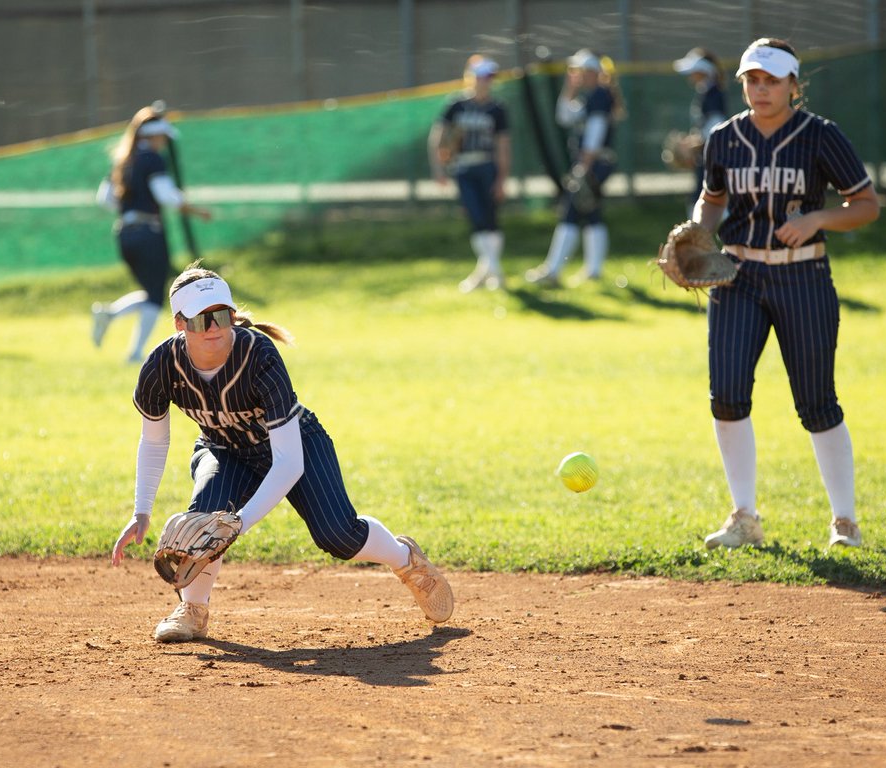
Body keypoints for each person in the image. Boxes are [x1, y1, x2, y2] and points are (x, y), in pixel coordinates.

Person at [111, 264, 455, 642]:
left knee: (338, 536)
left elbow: (288, 463)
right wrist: (141, 510)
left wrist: (240, 522)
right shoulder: (162, 366)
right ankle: (192, 609)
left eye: (221, 315)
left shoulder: (257, 354)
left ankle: (405, 560)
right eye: (200, 320)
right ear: (179, 323)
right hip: (223, 448)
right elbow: (155, 440)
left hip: (295, 443)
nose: (214, 328)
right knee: (203, 523)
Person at [695, 38, 880, 551]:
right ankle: (744, 518)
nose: (761, 89)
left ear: (794, 85)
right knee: (727, 397)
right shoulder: (724, 138)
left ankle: (844, 521)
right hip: (737, 277)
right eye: (752, 80)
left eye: (772, 80)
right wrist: (694, 232)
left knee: (817, 403)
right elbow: (712, 203)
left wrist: (818, 218)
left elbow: (866, 205)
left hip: (803, 277)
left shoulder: (820, 136)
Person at [93, 106, 212, 363]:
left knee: (151, 291)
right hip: (149, 232)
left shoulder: (124, 160)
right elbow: (166, 196)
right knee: (156, 296)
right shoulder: (152, 160)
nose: (163, 144)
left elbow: (106, 200)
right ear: (154, 136)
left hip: (125, 233)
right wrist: (196, 210)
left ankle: (110, 314)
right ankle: (135, 352)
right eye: (162, 138)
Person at [525, 49, 620, 289]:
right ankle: (593, 271)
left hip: (592, 164)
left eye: (581, 70)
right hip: (591, 164)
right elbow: (564, 117)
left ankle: (553, 270)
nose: (577, 74)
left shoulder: (600, 95)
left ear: (593, 72)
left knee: (570, 212)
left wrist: (583, 168)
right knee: (591, 214)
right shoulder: (590, 96)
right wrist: (570, 88)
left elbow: (595, 136)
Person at [428, 55, 511, 293]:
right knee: (477, 219)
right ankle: (495, 272)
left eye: (490, 78)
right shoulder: (457, 105)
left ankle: (485, 273)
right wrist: (438, 169)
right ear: (472, 78)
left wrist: (502, 178)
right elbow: (438, 138)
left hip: (487, 166)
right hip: (464, 168)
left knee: (491, 221)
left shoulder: (497, 108)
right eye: (483, 77)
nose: (487, 82)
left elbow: (503, 145)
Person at [672, 47, 728, 216]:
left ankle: (696, 239)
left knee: (705, 203)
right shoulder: (706, 92)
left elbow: (716, 127)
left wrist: (692, 144)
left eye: (694, 71)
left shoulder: (713, 94)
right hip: (708, 157)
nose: (690, 75)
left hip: (713, 158)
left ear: (704, 71)